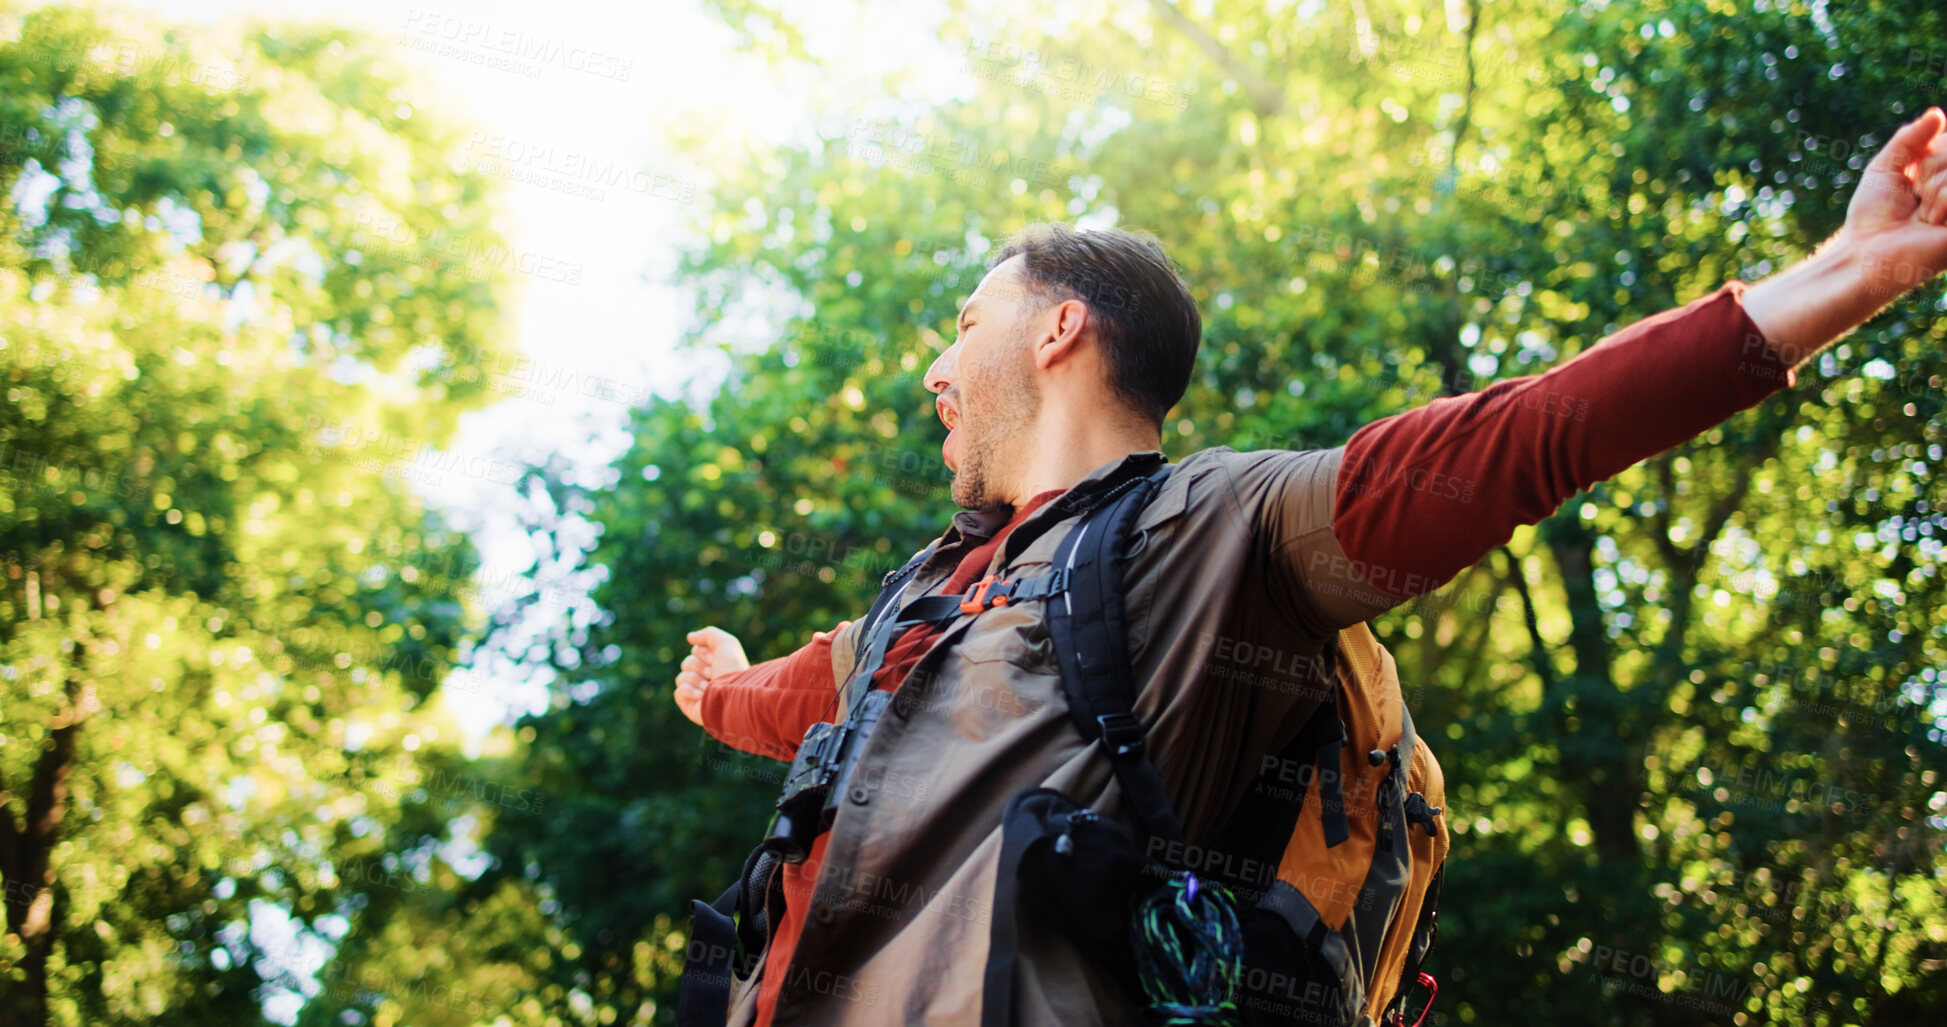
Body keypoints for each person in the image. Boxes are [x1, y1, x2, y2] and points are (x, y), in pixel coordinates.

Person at [673, 109, 1947, 1026]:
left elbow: (1516, 439)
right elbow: (796, 701)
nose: (935, 372)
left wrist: (1845, 273)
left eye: (963, 327)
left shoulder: (1214, 525)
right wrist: (720, 682)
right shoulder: (920, 595)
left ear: (1061, 328)